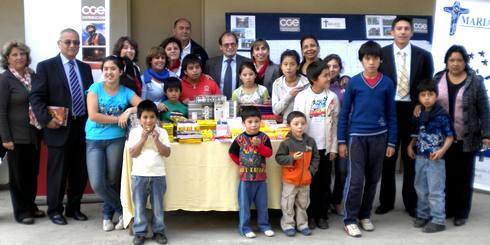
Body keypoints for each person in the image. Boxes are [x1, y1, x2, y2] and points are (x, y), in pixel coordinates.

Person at [31, 28, 94, 225]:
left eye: (76, 42)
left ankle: (73, 208)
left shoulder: (85, 68)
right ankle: (54, 210)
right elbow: (36, 97)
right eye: (68, 42)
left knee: (79, 171)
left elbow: (89, 96)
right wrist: (45, 119)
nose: (72, 46)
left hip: (82, 126)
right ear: (59, 44)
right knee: (57, 173)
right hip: (57, 126)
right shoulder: (46, 67)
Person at [337, 41, 397, 237]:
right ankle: (349, 219)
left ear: (380, 60)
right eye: (367, 58)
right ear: (361, 60)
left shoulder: (387, 83)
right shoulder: (354, 82)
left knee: (373, 179)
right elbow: (344, 113)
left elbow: (391, 114)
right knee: (355, 180)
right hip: (357, 137)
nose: (371, 62)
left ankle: (365, 215)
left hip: (380, 137)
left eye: (375, 58)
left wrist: (392, 141)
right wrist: (342, 141)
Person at [377, 16, 434, 217]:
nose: (402, 31)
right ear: (391, 32)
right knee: (388, 159)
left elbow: (429, 84)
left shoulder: (424, 56)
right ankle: (386, 201)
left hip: (413, 111)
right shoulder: (380, 55)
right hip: (388, 111)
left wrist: (420, 102)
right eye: (398, 28)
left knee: (411, 160)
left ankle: (411, 202)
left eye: (406, 28)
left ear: (412, 32)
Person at [432, 45, 490, 226]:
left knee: (464, 177)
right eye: (452, 60)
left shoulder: (475, 81)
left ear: (465, 62)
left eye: (459, 60)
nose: (455, 64)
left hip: (468, 137)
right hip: (442, 139)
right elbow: (428, 100)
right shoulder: (437, 78)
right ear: (446, 62)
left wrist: (487, 134)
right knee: (446, 175)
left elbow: (484, 110)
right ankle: (448, 208)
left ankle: (461, 212)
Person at [85, 55, 141, 231]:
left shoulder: (126, 92)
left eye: (113, 69)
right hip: (94, 139)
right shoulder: (95, 88)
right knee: (97, 183)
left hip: (116, 139)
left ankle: (107, 216)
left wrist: (130, 110)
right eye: (106, 69)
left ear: (120, 71)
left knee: (112, 179)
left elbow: (144, 105)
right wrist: (119, 118)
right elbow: (94, 115)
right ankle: (124, 211)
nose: (109, 72)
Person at [0, 41, 44, 224]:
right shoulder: (4, 79)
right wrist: (5, 137)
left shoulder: (32, 75)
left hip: (34, 134)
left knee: (31, 173)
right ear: (7, 59)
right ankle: (21, 211)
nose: (19, 57)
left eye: (22, 54)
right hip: (15, 137)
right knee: (18, 176)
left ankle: (30, 205)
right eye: (15, 55)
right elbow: (1, 111)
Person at [293, 60, 339, 230]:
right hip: (307, 148)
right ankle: (310, 216)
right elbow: (296, 122)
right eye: (325, 75)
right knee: (308, 183)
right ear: (313, 78)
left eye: (329, 74)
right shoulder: (302, 97)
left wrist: (333, 147)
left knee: (324, 183)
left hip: (325, 148)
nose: (329, 77)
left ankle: (322, 215)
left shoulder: (332, 97)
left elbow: (335, 124)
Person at [407, 80, 453, 233]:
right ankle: (422, 215)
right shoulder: (419, 113)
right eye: (423, 95)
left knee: (436, 189)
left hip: (436, 159)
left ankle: (438, 220)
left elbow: (450, 136)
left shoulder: (442, 115)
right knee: (420, 187)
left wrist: (442, 150)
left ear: (436, 96)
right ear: (419, 98)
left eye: (430, 94)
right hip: (420, 156)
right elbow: (416, 133)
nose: (427, 98)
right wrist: (410, 145)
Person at [128, 100, 171, 245]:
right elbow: (133, 153)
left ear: (156, 118)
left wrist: (157, 140)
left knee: (158, 206)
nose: (148, 120)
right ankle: (140, 232)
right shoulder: (134, 133)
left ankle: (159, 231)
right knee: (139, 205)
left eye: (152, 117)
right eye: (145, 117)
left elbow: (167, 153)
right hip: (139, 175)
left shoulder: (162, 132)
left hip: (158, 175)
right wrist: (143, 139)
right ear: (139, 118)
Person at [228, 106, 274, 238]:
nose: (253, 125)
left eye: (256, 121)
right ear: (243, 123)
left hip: (261, 179)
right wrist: (243, 163)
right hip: (245, 179)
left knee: (262, 205)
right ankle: (245, 228)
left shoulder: (264, 138)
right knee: (244, 205)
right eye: (250, 122)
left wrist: (259, 145)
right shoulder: (239, 139)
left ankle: (264, 225)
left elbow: (269, 153)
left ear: (261, 122)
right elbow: (231, 153)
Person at [275, 111, 320, 237]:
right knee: (288, 204)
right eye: (296, 124)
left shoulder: (310, 142)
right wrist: (292, 158)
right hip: (290, 180)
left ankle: (302, 225)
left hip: (305, 180)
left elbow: (316, 157)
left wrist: (310, 171)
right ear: (289, 126)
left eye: (302, 123)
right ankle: (288, 225)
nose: (300, 126)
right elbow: (279, 158)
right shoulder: (286, 143)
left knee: (303, 204)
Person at [324, 54, 350, 216]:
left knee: (342, 171)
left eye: (336, 66)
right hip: (325, 133)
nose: (332, 69)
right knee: (325, 171)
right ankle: (325, 202)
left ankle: (337, 200)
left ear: (340, 68)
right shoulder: (321, 84)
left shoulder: (346, 85)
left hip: (342, 134)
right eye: (329, 66)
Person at [205, 31, 251, 99]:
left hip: (240, 103)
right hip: (217, 104)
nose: (230, 47)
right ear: (220, 46)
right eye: (226, 45)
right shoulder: (210, 63)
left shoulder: (247, 62)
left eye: (233, 44)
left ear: (237, 45)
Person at [271, 50, 309, 122]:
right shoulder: (277, 84)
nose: (288, 67)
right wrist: (289, 95)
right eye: (285, 64)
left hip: (303, 123)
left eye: (292, 64)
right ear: (281, 66)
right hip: (285, 124)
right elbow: (275, 110)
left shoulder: (306, 83)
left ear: (298, 66)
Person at [142, 46, 177, 111]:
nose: (160, 60)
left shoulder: (173, 76)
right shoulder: (144, 79)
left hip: (172, 113)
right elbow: (141, 103)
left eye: (163, 58)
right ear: (150, 61)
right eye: (157, 58)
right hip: (152, 114)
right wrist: (156, 105)